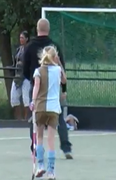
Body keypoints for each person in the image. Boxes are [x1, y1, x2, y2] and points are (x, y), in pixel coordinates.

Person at [23, 18, 73, 159]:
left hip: (37, 87)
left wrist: (34, 80)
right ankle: (66, 147)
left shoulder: (30, 47)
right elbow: (62, 69)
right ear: (49, 29)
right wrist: (63, 89)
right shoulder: (54, 46)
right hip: (53, 90)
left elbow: (25, 71)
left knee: (35, 119)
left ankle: (36, 147)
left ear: (37, 29)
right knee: (59, 119)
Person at [30, 45, 66, 179]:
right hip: (53, 109)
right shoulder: (57, 70)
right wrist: (60, 63)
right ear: (54, 57)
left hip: (40, 108)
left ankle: (40, 165)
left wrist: (33, 101)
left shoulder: (38, 71)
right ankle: (51, 171)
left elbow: (36, 88)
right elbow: (64, 80)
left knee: (39, 138)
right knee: (51, 139)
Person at [10, 31, 31, 121]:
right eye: (20, 38)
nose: (21, 39)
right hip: (18, 76)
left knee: (26, 98)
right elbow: (15, 62)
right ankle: (19, 119)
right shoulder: (19, 49)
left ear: (27, 39)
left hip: (26, 76)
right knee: (14, 97)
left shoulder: (29, 49)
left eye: (22, 38)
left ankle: (26, 118)